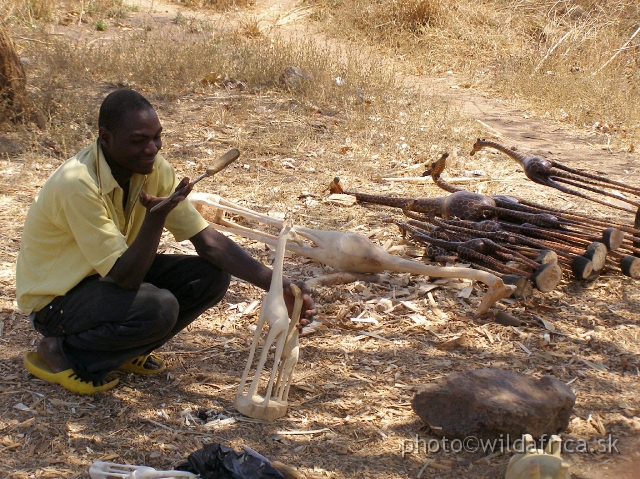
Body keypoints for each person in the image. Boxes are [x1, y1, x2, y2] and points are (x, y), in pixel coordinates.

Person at [16, 89, 316, 395]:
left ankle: (124, 350)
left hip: (103, 279)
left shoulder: (152, 168)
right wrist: (157, 216)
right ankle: (60, 351)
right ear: (105, 138)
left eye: (157, 137)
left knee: (209, 276)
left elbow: (207, 242)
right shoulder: (77, 184)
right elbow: (125, 276)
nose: (152, 149)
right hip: (57, 302)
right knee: (157, 308)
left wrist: (276, 283)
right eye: (138, 140)